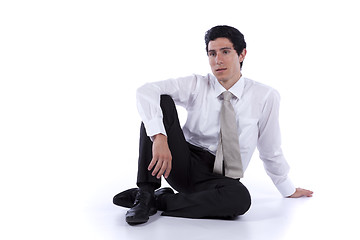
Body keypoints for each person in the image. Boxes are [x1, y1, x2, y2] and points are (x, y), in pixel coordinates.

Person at [113, 25, 313, 225]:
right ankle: (146, 194)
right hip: (183, 163)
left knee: (240, 199)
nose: (218, 60)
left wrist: (287, 188)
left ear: (242, 54)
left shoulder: (265, 96)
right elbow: (146, 91)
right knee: (161, 101)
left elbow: (270, 148)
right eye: (212, 53)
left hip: (222, 178)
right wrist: (159, 137)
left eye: (225, 52)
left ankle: (159, 200)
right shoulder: (198, 85)